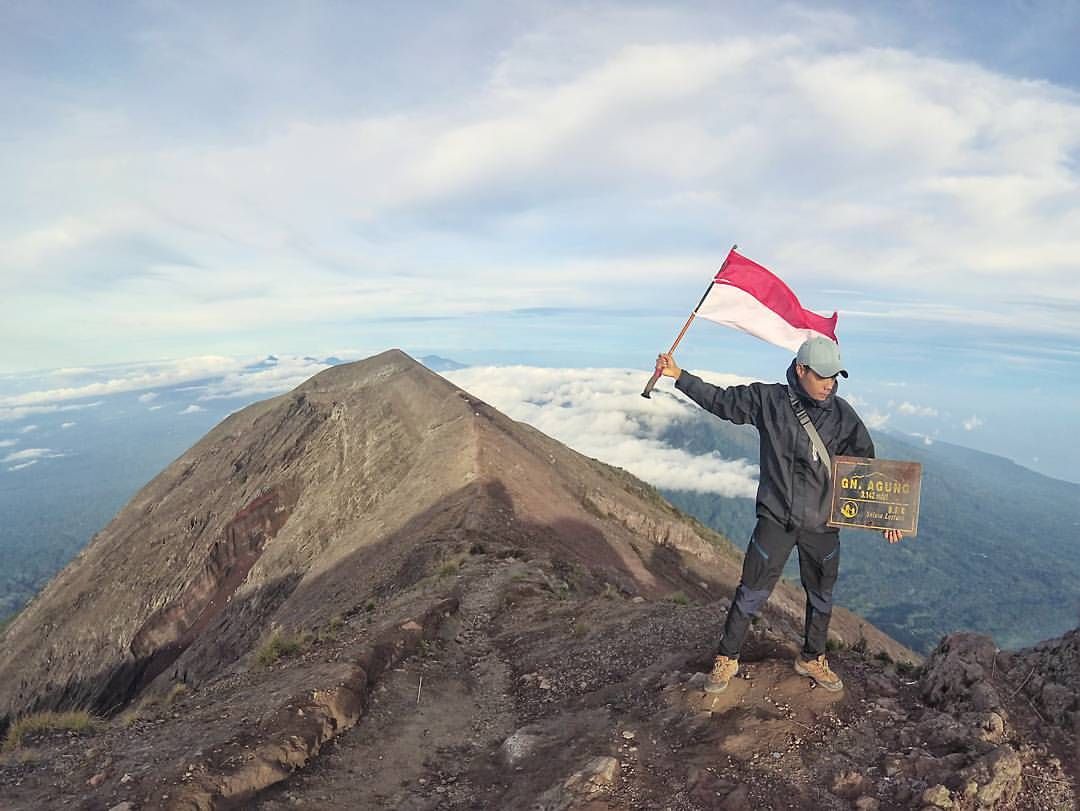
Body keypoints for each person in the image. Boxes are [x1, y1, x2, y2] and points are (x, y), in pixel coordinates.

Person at [656, 336, 902, 694]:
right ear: (801, 370)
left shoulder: (844, 416)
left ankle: (812, 657)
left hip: (822, 525)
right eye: (822, 376)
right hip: (776, 519)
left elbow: (864, 472)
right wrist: (679, 376)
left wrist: (885, 518)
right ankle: (727, 657)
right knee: (752, 591)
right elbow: (722, 402)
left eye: (835, 376)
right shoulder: (768, 400)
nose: (830, 383)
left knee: (821, 596)